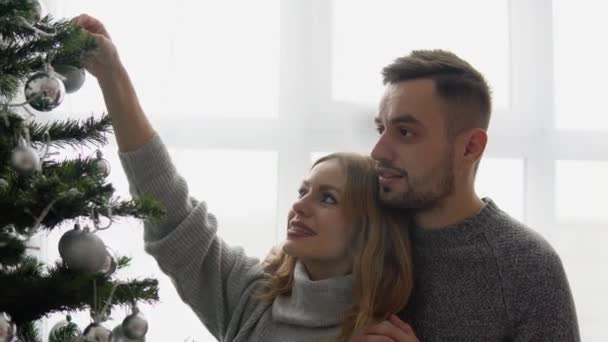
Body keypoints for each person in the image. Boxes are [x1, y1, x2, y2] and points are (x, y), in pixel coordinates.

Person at [74, 14, 419, 342]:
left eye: (327, 198)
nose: (299, 205)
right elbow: (171, 212)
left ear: (367, 229)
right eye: (303, 191)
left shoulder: (381, 334)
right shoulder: (255, 296)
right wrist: (112, 76)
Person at [363, 50, 580, 341]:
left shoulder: (526, 266)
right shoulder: (360, 233)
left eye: (405, 132)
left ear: (470, 148)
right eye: (380, 129)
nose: (378, 151)